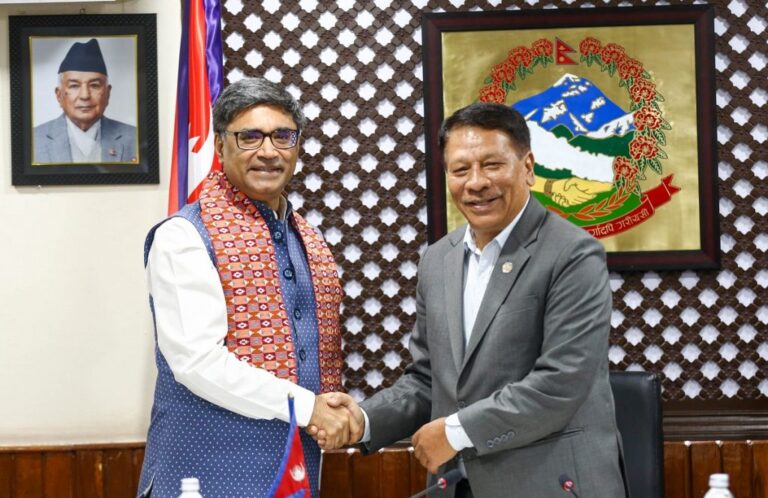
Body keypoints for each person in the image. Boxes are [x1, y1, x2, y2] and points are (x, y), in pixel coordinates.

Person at [316, 102, 627, 497]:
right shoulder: (438, 260)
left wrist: (454, 432)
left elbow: (560, 383)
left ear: (528, 167)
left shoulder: (573, 254)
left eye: (492, 165)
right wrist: (364, 420)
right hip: (456, 485)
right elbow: (428, 380)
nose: (476, 183)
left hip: (550, 484)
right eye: (461, 170)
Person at [137, 78, 358, 498]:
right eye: (250, 137)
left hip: (294, 473)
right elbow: (197, 361)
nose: (269, 151)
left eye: (283, 136)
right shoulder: (184, 236)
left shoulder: (305, 237)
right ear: (220, 147)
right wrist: (308, 407)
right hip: (203, 477)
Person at [33, 38, 137, 164]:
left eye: (94, 85)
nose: (85, 95)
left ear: (108, 93)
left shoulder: (135, 138)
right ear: (59, 95)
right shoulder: (33, 140)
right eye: (74, 86)